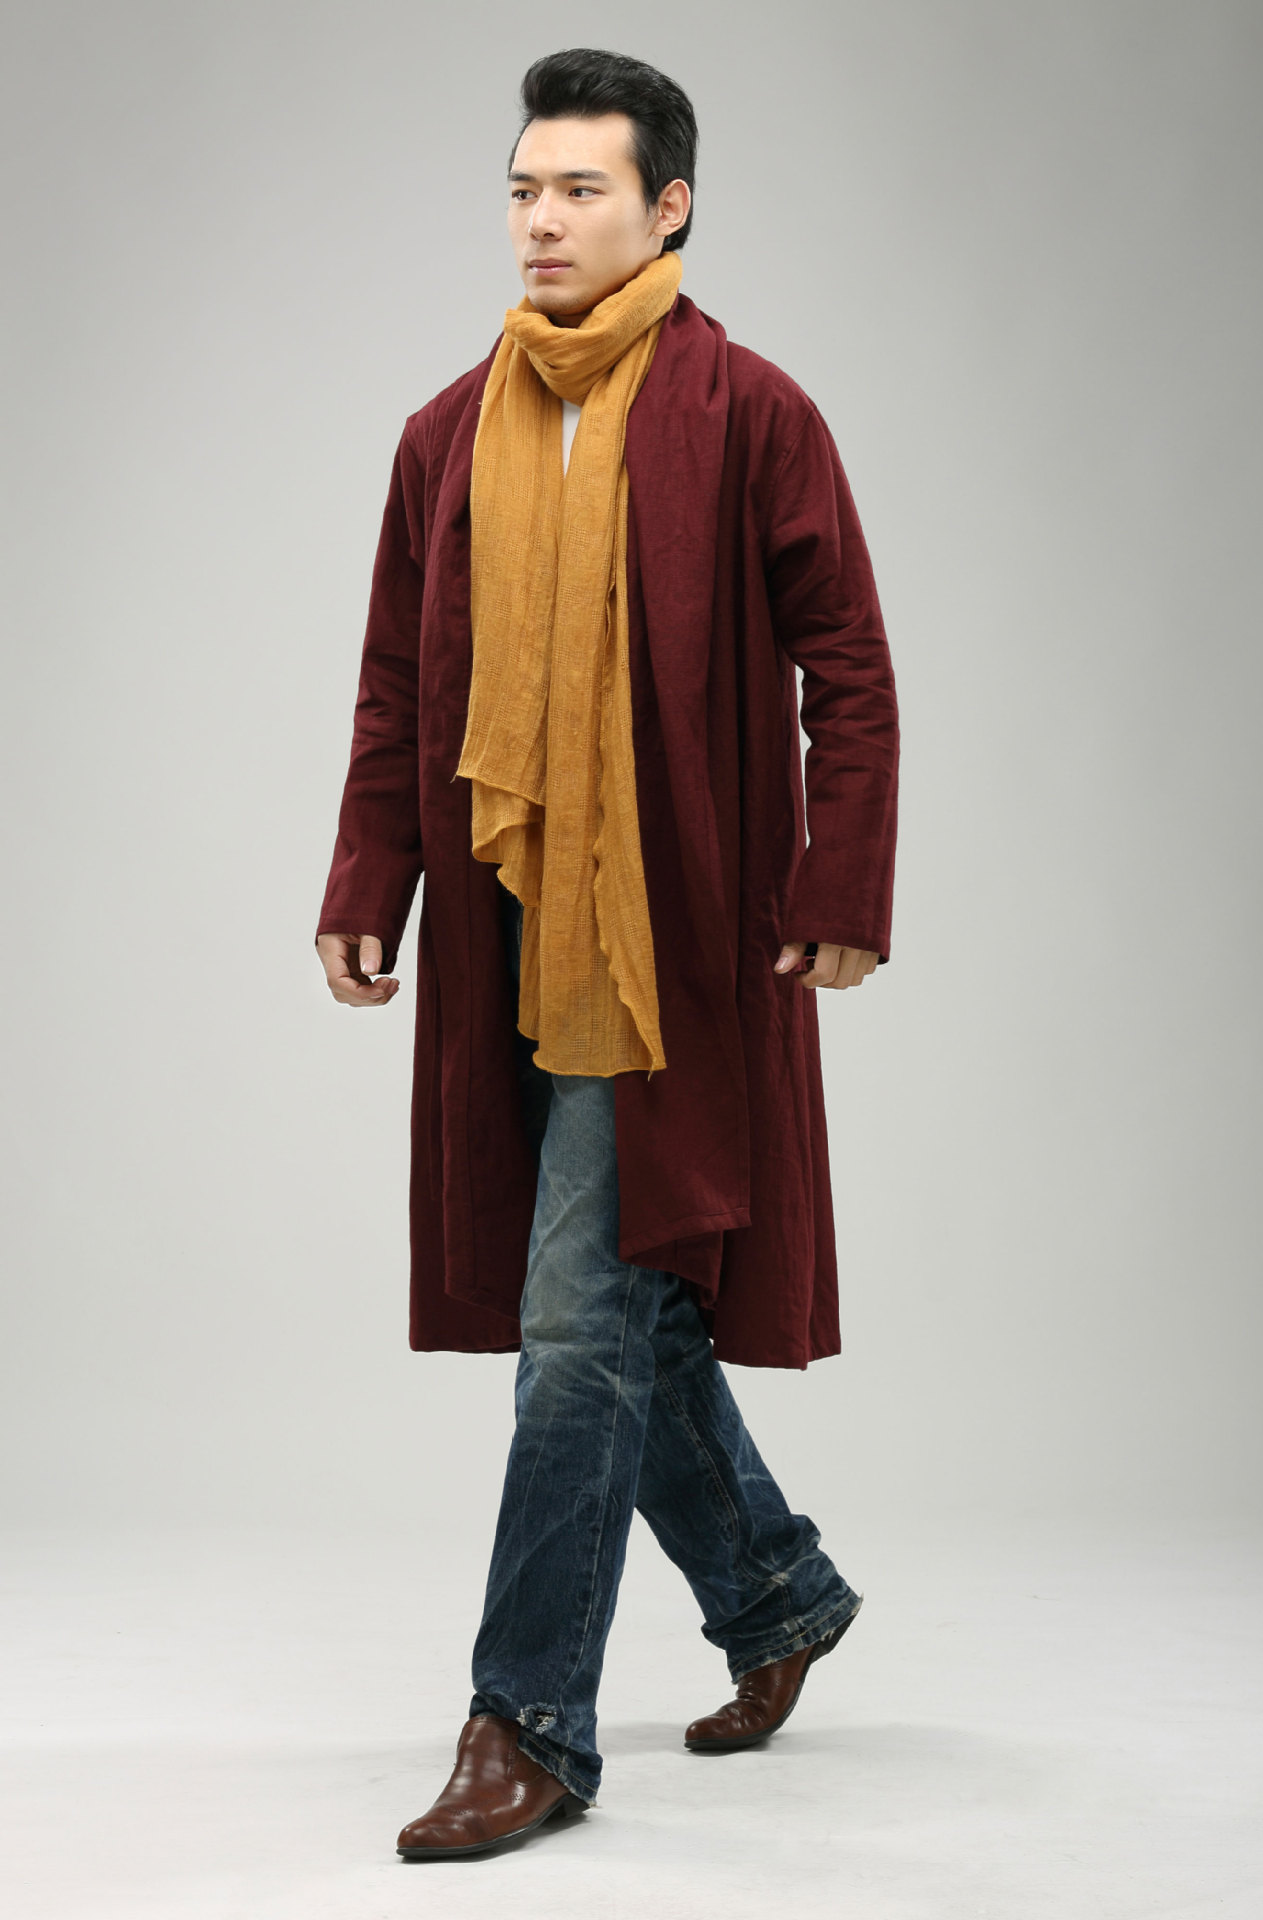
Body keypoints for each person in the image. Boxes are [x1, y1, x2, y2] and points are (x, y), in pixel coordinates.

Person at [315, 46, 899, 1860]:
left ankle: (529, 1727)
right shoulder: (447, 433)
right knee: (619, 1292)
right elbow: (400, 684)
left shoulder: (754, 413)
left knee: (576, 1311)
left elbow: (848, 666)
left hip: (676, 939)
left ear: (671, 206)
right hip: (507, 927)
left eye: (581, 189)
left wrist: (839, 884)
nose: (542, 222)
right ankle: (777, 1591)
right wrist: (370, 870)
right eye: (523, 189)